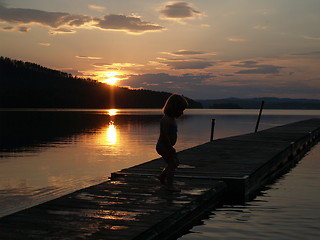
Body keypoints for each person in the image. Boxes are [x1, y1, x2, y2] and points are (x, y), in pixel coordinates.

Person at [156, 94, 188, 192]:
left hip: (167, 146)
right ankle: (169, 185)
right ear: (174, 108)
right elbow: (164, 135)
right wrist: (170, 147)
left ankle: (162, 176)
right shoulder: (166, 119)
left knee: (175, 163)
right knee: (172, 163)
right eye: (180, 110)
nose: (182, 113)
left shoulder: (171, 119)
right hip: (163, 146)